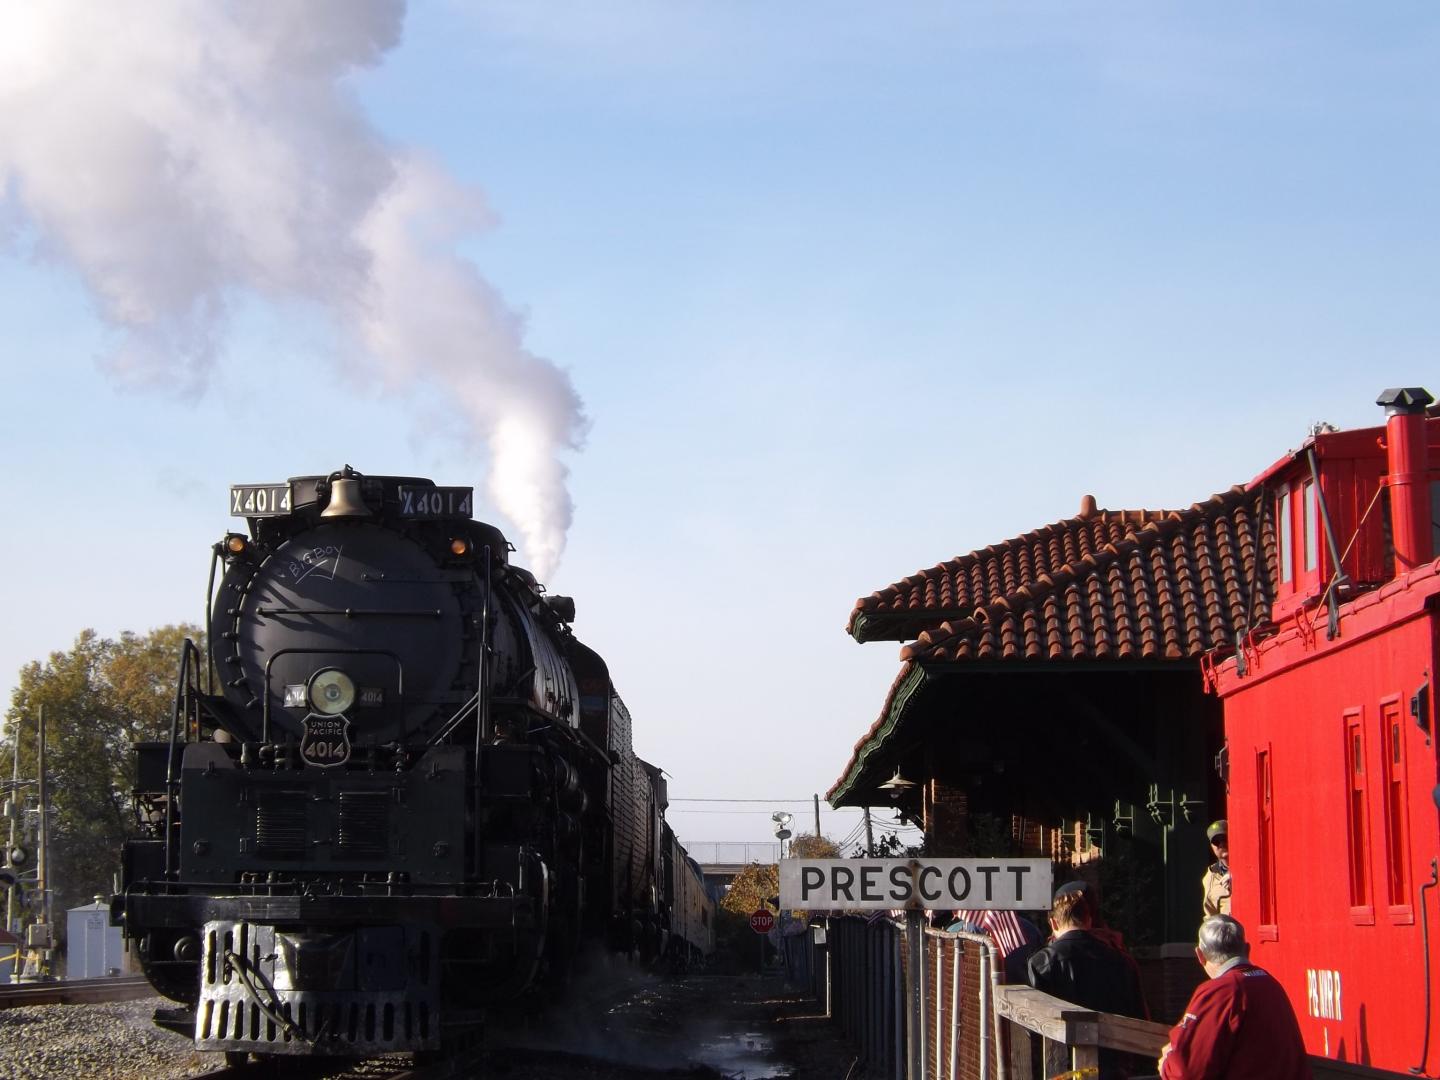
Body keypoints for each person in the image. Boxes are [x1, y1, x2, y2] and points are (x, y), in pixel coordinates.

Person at [1157, 914, 1311, 1079]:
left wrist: (1167, 1063)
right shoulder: (1270, 984)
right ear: (1247, 949)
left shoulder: (1220, 992)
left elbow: (1187, 1072)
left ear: (1200, 955)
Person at [1028, 884, 1148, 1079]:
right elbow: (1140, 1019)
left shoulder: (1041, 962)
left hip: (1062, 1067)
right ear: (1089, 920)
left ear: (1053, 923)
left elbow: (1034, 1028)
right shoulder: (1122, 960)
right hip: (1113, 1067)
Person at [1201, 820, 1231, 916]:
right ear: (1212, 846)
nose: (1221, 844)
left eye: (1224, 838)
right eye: (1216, 841)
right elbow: (1210, 915)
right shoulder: (1210, 877)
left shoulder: (1250, 867)